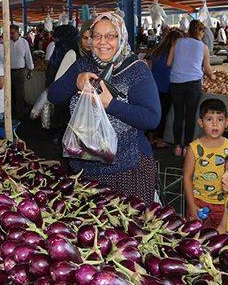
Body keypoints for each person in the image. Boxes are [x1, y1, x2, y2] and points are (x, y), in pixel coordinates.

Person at [48, 11, 161, 204]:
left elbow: (151, 118)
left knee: (127, 228)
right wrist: (76, 80)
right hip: (84, 168)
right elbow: (54, 96)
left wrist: (111, 104)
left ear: (121, 37)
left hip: (126, 170)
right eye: (97, 36)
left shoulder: (135, 69)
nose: (103, 42)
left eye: (110, 36)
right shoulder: (83, 64)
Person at [183, 98, 228, 229]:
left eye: (220, 119)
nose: (215, 124)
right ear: (201, 122)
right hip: (199, 202)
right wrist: (191, 205)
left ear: (227, 122)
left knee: (220, 240)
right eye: (209, 119)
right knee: (197, 238)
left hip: (224, 204)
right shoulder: (194, 148)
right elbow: (187, 178)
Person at [167, 20, 215, 156]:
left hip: (176, 83)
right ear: (200, 31)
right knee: (190, 116)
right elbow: (207, 69)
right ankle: (187, 147)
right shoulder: (203, 47)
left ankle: (177, 146)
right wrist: (213, 77)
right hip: (193, 84)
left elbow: (169, 62)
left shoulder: (177, 42)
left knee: (178, 115)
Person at [149, 28, 183, 148]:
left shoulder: (156, 52)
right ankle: (160, 140)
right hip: (166, 86)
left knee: (153, 112)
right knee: (163, 114)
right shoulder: (173, 54)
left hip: (153, 86)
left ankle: (151, 137)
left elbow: (152, 68)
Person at [9, 24, 33, 120]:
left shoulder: (24, 42)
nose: (10, 35)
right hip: (8, 72)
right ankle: (9, 113)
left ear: (18, 32)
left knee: (20, 94)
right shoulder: (6, 42)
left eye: (12, 33)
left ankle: (19, 115)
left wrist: (30, 69)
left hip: (20, 71)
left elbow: (28, 56)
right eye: (9, 33)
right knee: (9, 93)